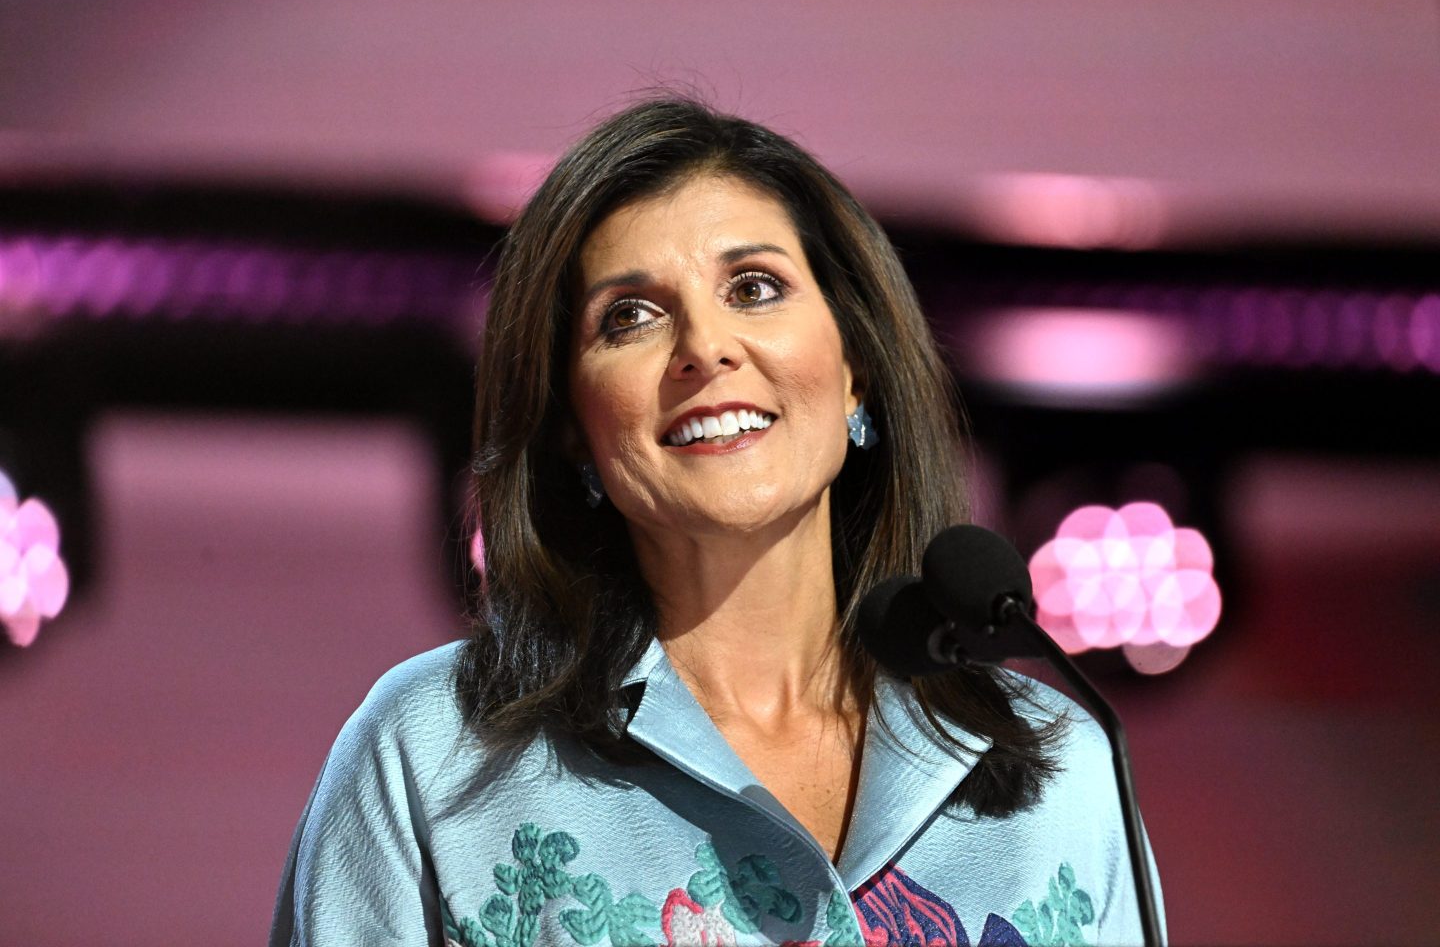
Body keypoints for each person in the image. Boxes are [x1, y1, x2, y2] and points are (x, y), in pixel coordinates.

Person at [269, 98, 1163, 947]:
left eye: (756, 287)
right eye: (631, 316)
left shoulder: (1063, 771)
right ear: (574, 428)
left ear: (854, 368)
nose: (705, 347)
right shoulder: (432, 754)